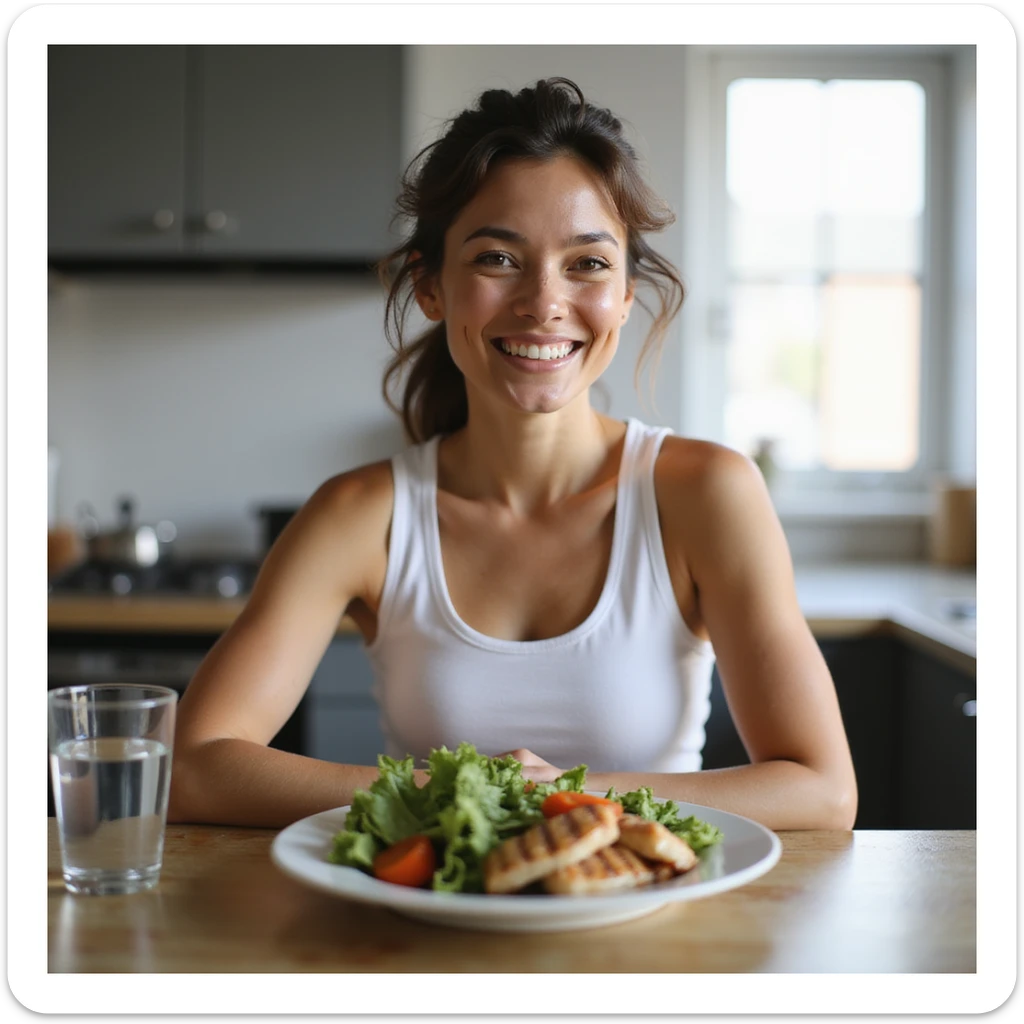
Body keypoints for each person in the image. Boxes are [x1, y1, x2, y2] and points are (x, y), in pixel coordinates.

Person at [167, 78, 857, 832]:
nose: (544, 301)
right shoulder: (360, 513)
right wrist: (447, 791)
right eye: (498, 258)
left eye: (588, 264)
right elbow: (197, 768)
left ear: (627, 294)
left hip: (648, 929)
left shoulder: (707, 492)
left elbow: (822, 792)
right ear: (432, 287)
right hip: (426, 936)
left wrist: (569, 798)